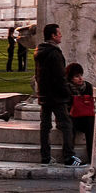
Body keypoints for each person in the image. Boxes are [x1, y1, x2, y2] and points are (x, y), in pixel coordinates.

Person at [34, 24, 76, 167]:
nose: (61, 35)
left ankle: (45, 156)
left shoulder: (39, 51)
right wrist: (68, 94)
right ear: (53, 35)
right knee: (66, 125)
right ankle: (69, 157)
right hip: (57, 96)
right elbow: (60, 77)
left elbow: (37, 75)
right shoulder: (54, 53)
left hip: (44, 95)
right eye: (59, 33)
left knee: (45, 126)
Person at [65, 63, 95, 163]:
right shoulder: (66, 87)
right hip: (71, 116)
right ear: (70, 77)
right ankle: (69, 156)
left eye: (81, 75)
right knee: (69, 124)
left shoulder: (87, 86)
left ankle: (92, 156)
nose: (80, 78)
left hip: (84, 116)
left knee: (91, 122)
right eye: (77, 76)